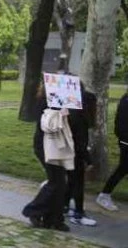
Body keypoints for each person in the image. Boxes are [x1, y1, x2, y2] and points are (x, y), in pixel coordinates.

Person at [22, 84, 75, 232]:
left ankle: (51, 218)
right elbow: (47, 125)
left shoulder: (53, 101)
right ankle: (35, 211)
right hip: (47, 146)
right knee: (57, 182)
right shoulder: (46, 102)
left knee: (59, 183)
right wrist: (60, 113)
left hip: (54, 146)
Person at [64, 86, 97, 226]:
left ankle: (65, 206)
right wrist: (88, 160)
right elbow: (80, 143)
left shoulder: (71, 113)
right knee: (78, 182)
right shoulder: (81, 118)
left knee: (71, 181)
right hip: (75, 154)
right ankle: (78, 214)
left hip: (68, 152)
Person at [97, 90, 128, 212]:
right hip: (126, 141)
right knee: (123, 169)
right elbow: (121, 123)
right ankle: (104, 195)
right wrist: (125, 139)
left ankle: (105, 194)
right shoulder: (126, 101)